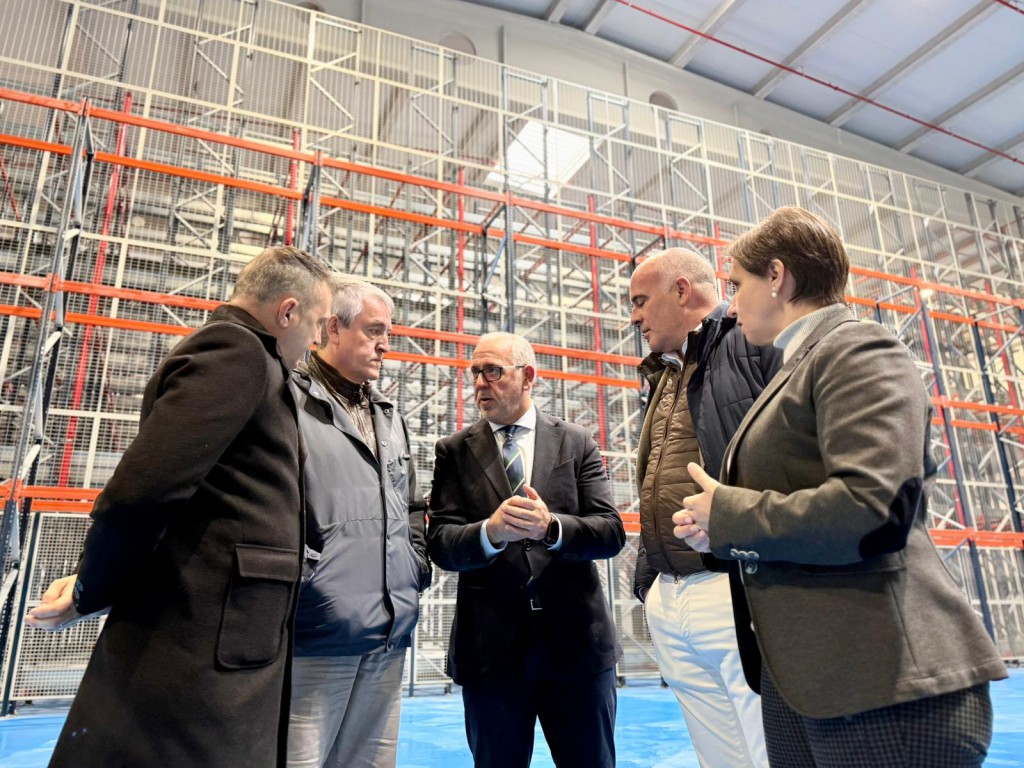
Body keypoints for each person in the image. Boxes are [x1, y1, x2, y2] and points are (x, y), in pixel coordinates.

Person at [674, 206, 1008, 767]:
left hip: (882, 685)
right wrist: (719, 530)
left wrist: (729, 514)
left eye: (736, 285)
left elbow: (873, 508)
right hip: (816, 682)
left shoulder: (857, 349)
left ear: (777, 277)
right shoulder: (796, 366)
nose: (730, 305)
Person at [24, 246, 334, 768]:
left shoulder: (251, 359)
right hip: (200, 648)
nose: (318, 340)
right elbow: (142, 492)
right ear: (287, 312)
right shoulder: (237, 352)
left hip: (221, 639)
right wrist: (90, 587)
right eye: (319, 323)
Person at [427, 331, 625, 768]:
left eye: (493, 371)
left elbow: (610, 532)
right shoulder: (454, 452)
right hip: (492, 654)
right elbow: (440, 543)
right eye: (475, 372)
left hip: (576, 649)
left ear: (528, 376)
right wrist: (491, 532)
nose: (480, 383)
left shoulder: (576, 442)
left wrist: (551, 527)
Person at [629, 247, 779, 768]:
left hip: (734, 584)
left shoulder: (749, 341)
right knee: (718, 755)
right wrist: (650, 582)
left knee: (768, 747)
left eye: (640, 301)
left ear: (681, 290)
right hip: (671, 592)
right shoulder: (664, 374)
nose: (634, 317)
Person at [288, 275, 430, 768]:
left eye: (388, 332)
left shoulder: (389, 416)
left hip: (389, 631)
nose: (385, 344)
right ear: (333, 328)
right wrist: (308, 580)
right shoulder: (290, 404)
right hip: (318, 631)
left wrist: (415, 568)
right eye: (374, 331)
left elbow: (412, 507)